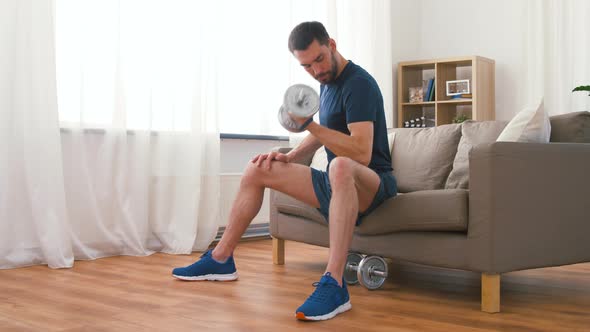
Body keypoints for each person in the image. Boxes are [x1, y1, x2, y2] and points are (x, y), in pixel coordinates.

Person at [172, 21, 397, 321]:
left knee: (341, 164)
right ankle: (220, 259)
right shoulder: (326, 84)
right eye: (306, 66)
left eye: (318, 59)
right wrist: (290, 157)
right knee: (259, 168)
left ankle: (335, 283)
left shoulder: (359, 84)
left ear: (331, 44)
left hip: (373, 185)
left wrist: (310, 124)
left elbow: (361, 152)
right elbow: (322, 134)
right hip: (338, 182)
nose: (316, 71)